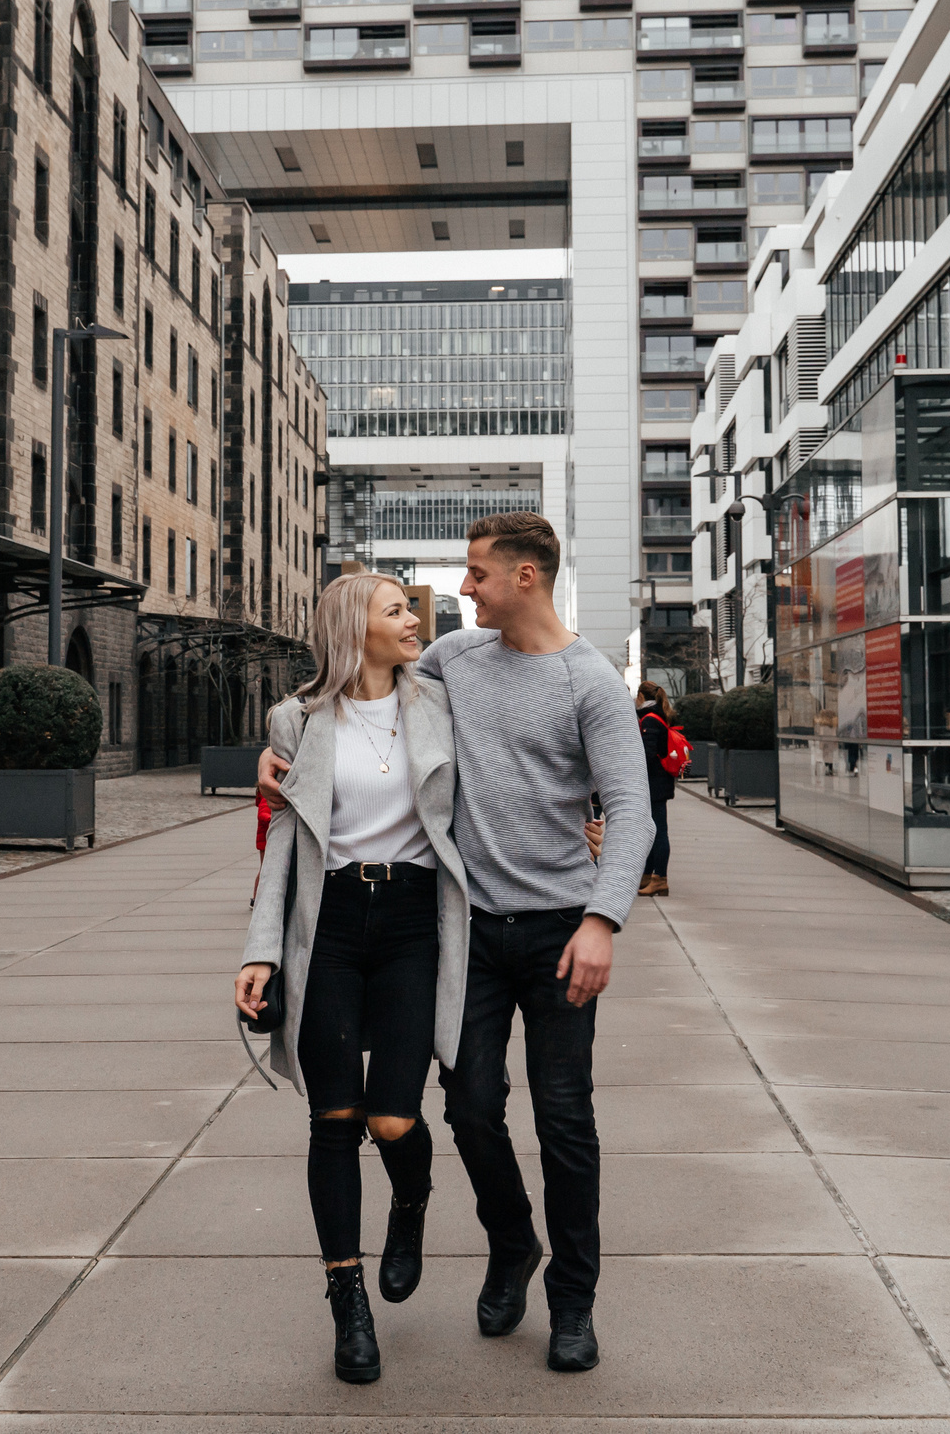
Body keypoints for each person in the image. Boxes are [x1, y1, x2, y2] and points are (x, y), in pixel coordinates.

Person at [260, 512, 654, 1374]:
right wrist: (277, 753)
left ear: (525, 577)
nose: (461, 588)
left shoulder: (591, 682)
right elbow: (352, 696)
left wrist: (603, 919)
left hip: (561, 929)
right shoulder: (451, 660)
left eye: (476, 573)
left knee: (564, 1117)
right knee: (471, 1107)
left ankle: (573, 1302)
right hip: (466, 927)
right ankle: (512, 1243)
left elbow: (632, 808)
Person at [237, 573, 474, 1386]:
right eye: (396, 610)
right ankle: (349, 1300)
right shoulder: (296, 720)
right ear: (353, 628)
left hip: (412, 921)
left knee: (394, 1116)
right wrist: (260, 950)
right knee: (333, 1116)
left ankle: (411, 1200)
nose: (413, 620)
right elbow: (284, 841)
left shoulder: (440, 705)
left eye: (411, 608)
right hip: (329, 922)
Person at [633, 682, 678, 897]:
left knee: (658, 831)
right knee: (653, 830)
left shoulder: (650, 719)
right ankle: (647, 875)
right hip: (658, 783)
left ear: (641, 696)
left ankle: (660, 879)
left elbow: (647, 754)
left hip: (654, 784)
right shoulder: (657, 715)